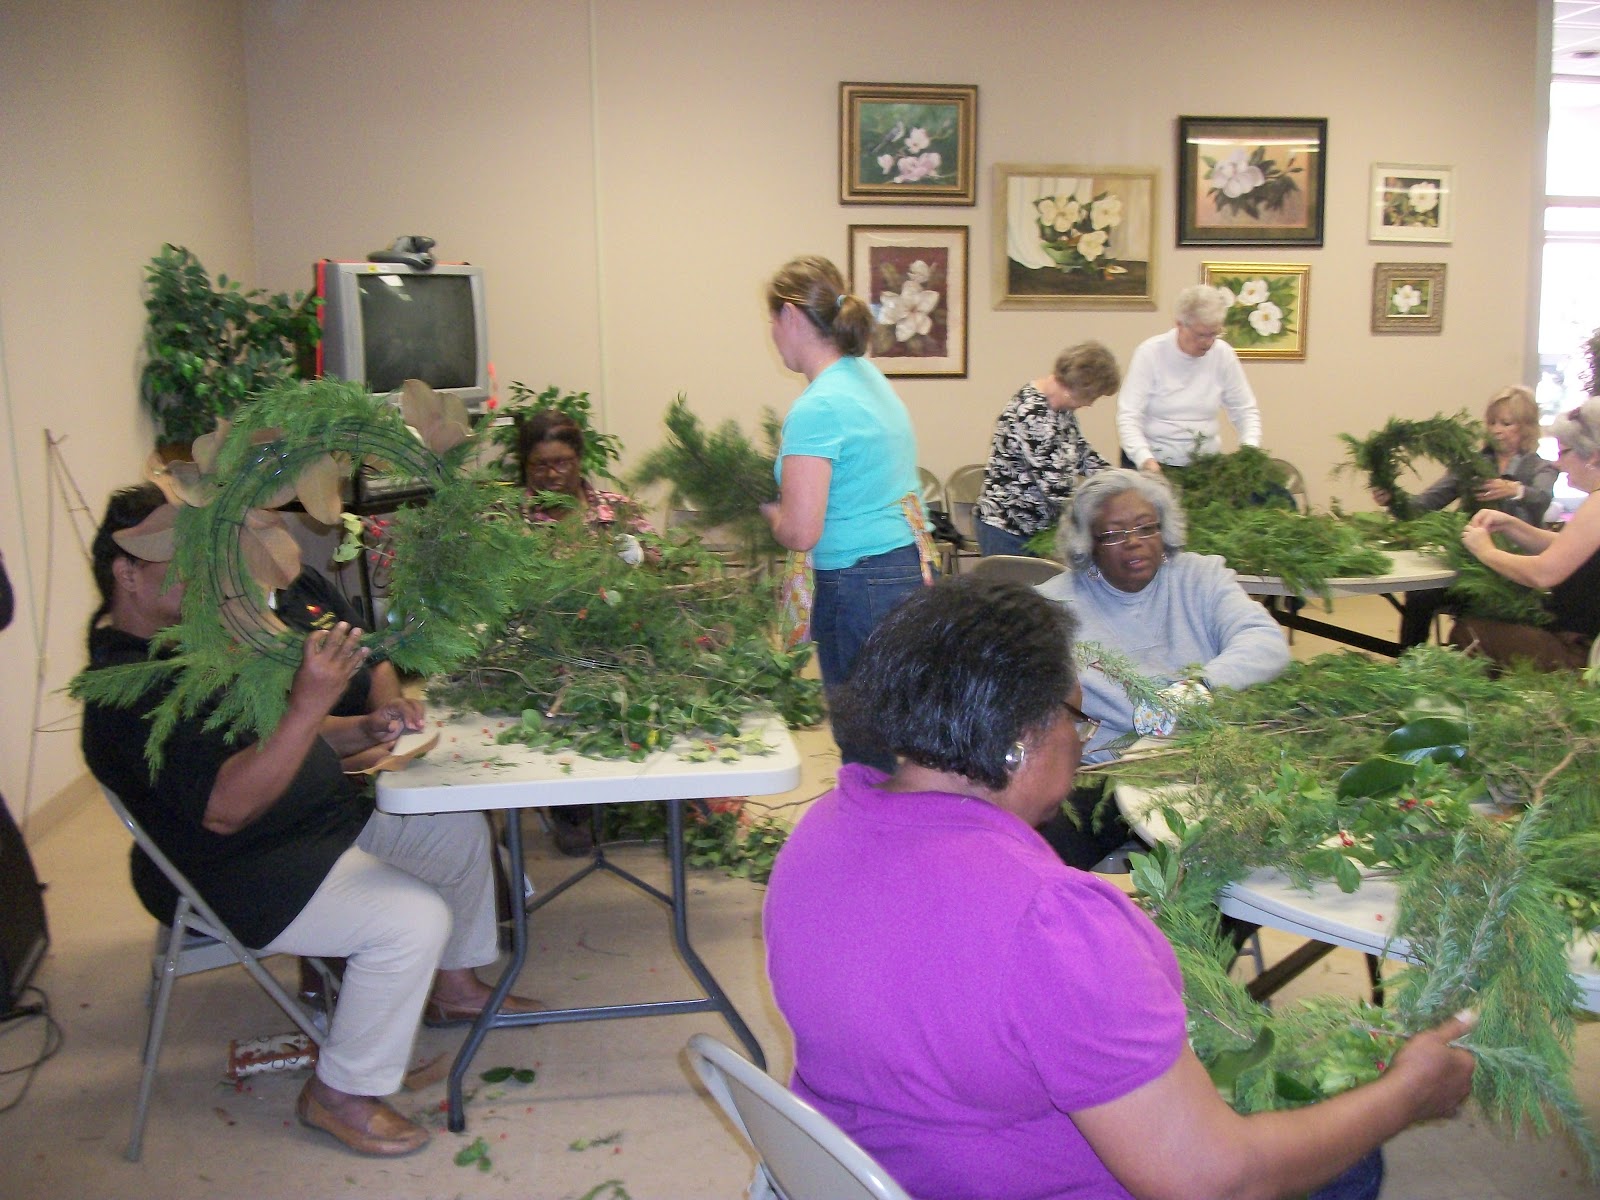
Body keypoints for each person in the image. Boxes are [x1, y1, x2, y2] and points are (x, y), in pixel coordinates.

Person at [763, 575, 1476, 1200]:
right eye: (1076, 716)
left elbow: (942, 960)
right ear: (1021, 737)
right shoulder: (1052, 923)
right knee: (1351, 1159)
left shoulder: (822, 830)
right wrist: (1405, 1093)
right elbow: (1214, 1181)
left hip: (868, 1167)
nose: (1083, 738)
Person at [79, 484, 538, 1157]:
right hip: (229, 867)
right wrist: (304, 703)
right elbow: (226, 808)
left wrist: (361, 726)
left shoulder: (194, 643)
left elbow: (274, 738)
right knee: (408, 919)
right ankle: (338, 1094)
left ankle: (454, 988)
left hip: (311, 823)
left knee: (455, 827)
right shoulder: (121, 689)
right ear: (126, 573)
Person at [1035, 469, 1290, 867]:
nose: (1134, 542)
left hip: (1209, 758)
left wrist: (1195, 690)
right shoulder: (1053, 607)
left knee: (1239, 859)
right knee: (1046, 852)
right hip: (1112, 771)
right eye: (1115, 534)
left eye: (1145, 527)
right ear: (1088, 544)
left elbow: (1266, 642)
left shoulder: (1201, 577)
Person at [758, 254, 932, 769]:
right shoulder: (867, 378)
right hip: (900, 572)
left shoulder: (818, 407)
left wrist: (769, 510)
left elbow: (801, 530)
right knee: (899, 737)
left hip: (859, 588)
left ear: (791, 316)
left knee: (867, 747)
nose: (771, 333)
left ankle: (876, 845)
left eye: (772, 320)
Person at [1456, 396, 1600, 670]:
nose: (1558, 463)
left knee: (1469, 632)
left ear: (1592, 456)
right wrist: (1512, 526)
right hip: (1583, 638)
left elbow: (1542, 573)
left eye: (1564, 452)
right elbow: (1571, 546)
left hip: (1580, 650)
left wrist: (1486, 550)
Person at [974, 341, 1120, 557]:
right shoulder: (1033, 413)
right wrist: (1106, 506)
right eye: (1092, 397)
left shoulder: (1060, 409)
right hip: (1009, 531)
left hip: (1036, 529)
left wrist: (1119, 480)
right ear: (1077, 387)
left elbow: (1081, 452)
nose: (1089, 405)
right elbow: (1057, 489)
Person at [1117, 284, 1262, 473]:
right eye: (1201, 335)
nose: (1208, 342)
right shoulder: (1150, 353)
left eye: (1214, 334)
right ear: (1179, 325)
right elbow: (1129, 415)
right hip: (1152, 461)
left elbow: (1245, 411)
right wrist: (1145, 460)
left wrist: (1249, 451)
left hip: (1205, 463)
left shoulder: (1223, 355)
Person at [1372, 386, 1557, 527]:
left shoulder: (1541, 468)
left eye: (1506, 423)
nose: (1496, 430)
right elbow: (1425, 504)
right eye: (1492, 423)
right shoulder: (1471, 466)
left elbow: (1542, 498)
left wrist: (1516, 491)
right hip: (1474, 560)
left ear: (1527, 427)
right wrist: (1393, 499)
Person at [517, 409, 651, 541]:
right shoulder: (508, 516)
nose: (551, 474)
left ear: (579, 459)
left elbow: (662, 560)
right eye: (541, 465)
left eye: (561, 463)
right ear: (526, 465)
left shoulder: (620, 510)